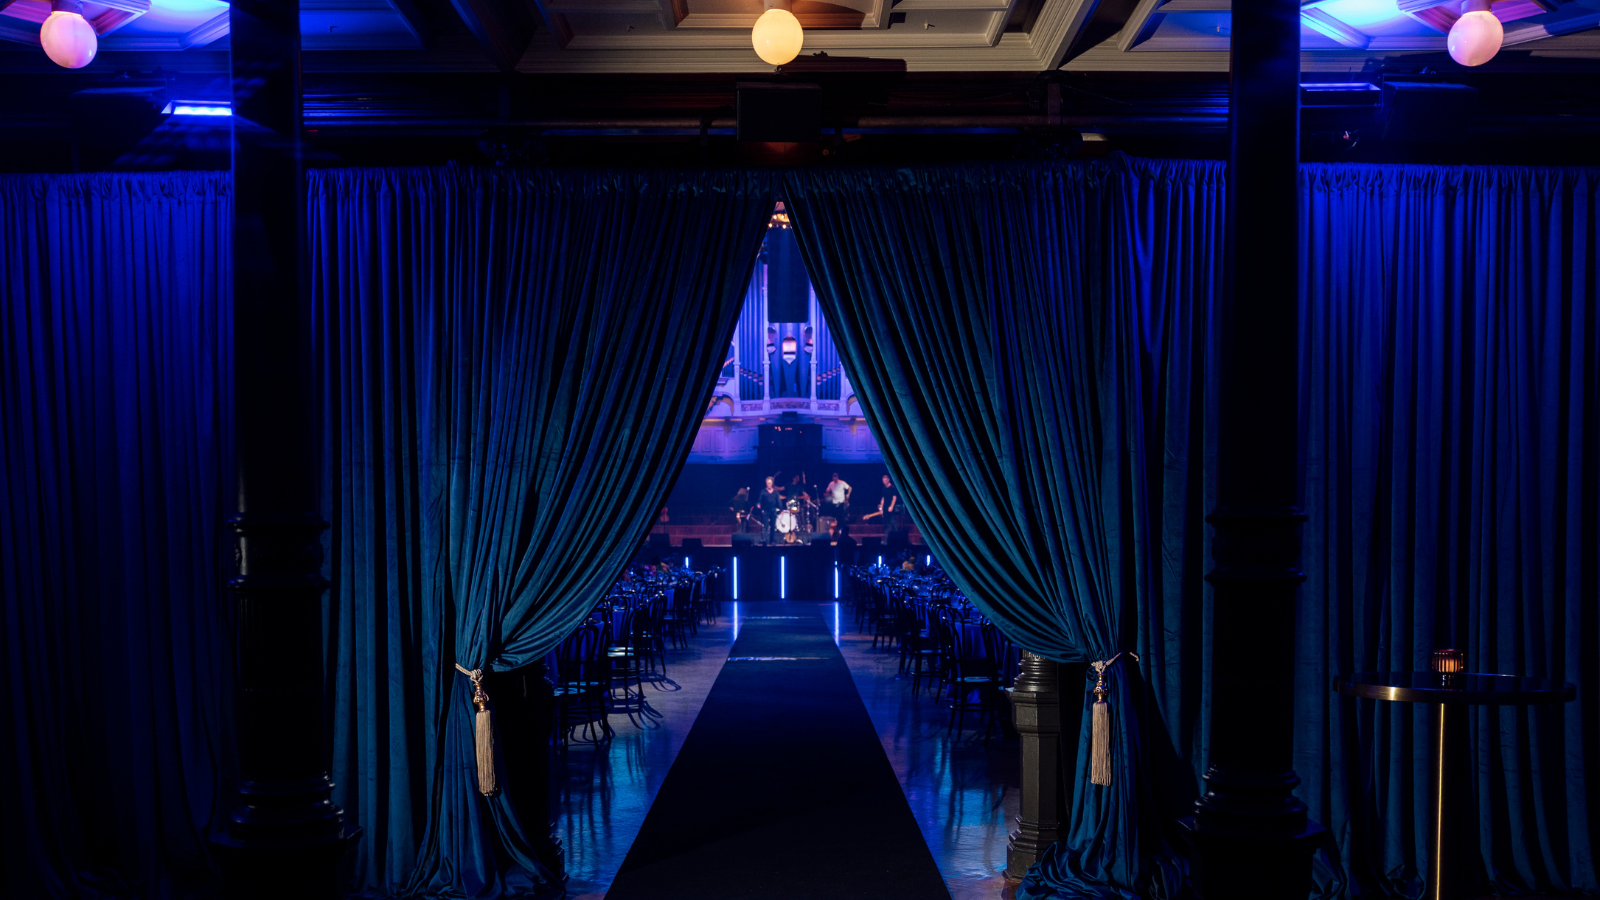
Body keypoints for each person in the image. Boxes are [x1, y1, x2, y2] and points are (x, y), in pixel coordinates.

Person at [757, 475, 783, 545]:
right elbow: (759, 500)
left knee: (772, 526)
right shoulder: (763, 491)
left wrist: (781, 509)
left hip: (773, 511)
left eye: (770, 483)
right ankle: (764, 540)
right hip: (765, 510)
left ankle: (772, 541)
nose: (769, 484)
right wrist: (758, 504)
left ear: (772, 483)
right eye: (767, 483)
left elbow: (779, 501)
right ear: (766, 483)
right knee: (765, 526)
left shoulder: (776, 492)